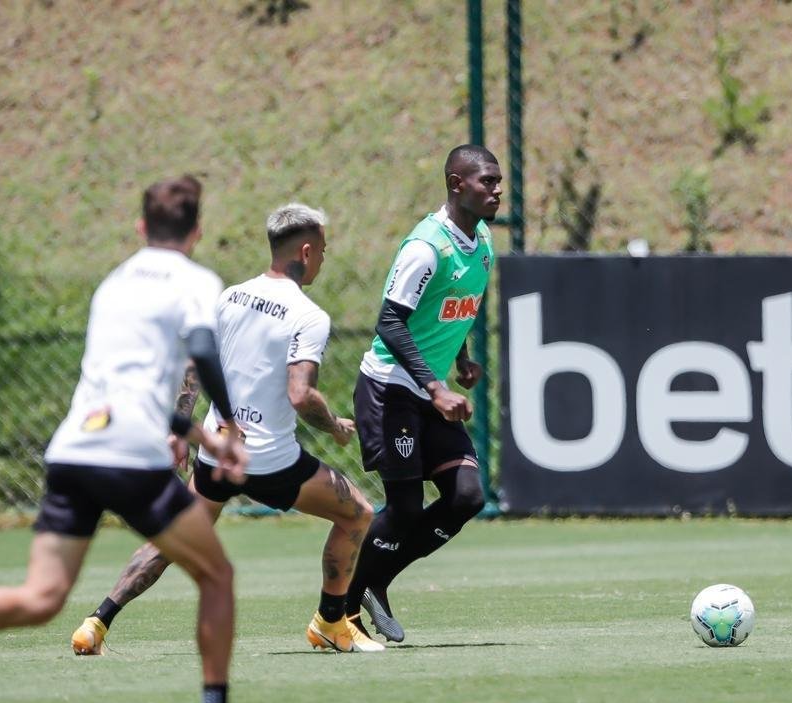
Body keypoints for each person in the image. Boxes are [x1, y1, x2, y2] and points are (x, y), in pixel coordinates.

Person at [0, 176, 285, 703]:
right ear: (197, 231)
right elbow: (201, 348)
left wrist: (196, 433)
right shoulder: (195, 282)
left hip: (74, 449)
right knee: (216, 575)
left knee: (41, 598)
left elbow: (124, 386)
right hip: (130, 458)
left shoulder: (113, 285)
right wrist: (230, 425)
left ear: (140, 228)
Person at [70, 203, 382, 656]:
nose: (323, 259)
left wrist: (180, 430)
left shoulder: (230, 296)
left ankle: (97, 621)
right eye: (324, 251)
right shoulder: (308, 315)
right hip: (268, 460)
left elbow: (195, 366)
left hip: (215, 452)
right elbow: (302, 395)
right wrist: (333, 425)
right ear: (308, 252)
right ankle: (330, 622)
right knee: (357, 513)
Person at [344, 144, 501, 642]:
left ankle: (376, 582)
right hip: (391, 389)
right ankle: (340, 611)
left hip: (429, 392)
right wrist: (435, 386)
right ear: (457, 185)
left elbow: (454, 307)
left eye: (498, 182)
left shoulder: (483, 242)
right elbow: (390, 321)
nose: (497, 190)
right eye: (487, 182)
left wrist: (460, 359)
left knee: (467, 495)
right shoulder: (425, 247)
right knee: (406, 508)